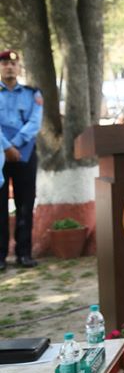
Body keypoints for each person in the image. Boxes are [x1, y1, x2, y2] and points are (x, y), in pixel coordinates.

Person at [1, 50, 42, 270]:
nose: (9, 67)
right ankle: (0, 256)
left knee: (25, 204)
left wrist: (15, 145)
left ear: (19, 69)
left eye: (13, 64)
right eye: (5, 63)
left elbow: (35, 122)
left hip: (25, 155)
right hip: (0, 154)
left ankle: (24, 254)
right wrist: (6, 147)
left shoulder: (32, 94)